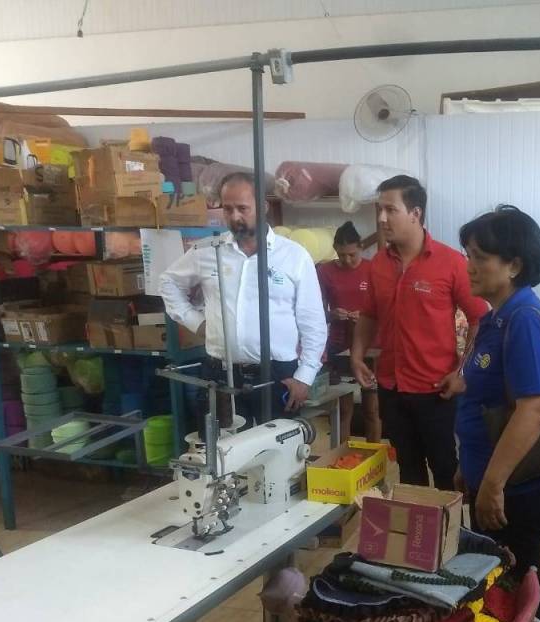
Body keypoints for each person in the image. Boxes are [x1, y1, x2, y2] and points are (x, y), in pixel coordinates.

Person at [454, 205, 540, 622]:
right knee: (502, 590)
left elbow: (535, 409)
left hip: (518, 490)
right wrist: (469, 468)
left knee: (524, 597)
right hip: (493, 479)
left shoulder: (523, 318)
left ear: (514, 264)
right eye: (468, 254)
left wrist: (493, 483)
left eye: (481, 257)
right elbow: (485, 403)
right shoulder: (497, 316)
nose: (469, 265)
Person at [350, 175, 488, 490]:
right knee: (408, 469)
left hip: (436, 389)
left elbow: (480, 319)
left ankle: (451, 523)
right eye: (380, 210)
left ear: (416, 213)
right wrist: (357, 356)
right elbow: (369, 314)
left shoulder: (451, 263)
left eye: (390, 210)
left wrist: (462, 371)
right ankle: (416, 523)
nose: (381, 218)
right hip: (391, 386)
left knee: (445, 467)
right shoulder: (378, 264)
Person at [160, 172, 326, 425]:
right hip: (220, 373)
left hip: (277, 374)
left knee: (277, 446)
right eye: (227, 209)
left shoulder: (293, 256)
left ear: (263, 207)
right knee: (221, 446)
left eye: (242, 208)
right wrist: (196, 322)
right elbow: (168, 282)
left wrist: (305, 376)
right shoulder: (207, 252)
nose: (235, 216)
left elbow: (312, 322)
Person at [317, 221, 381, 443]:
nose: (347, 260)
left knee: (372, 409)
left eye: (352, 254)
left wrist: (364, 316)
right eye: (341, 255)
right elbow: (315, 312)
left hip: (370, 346)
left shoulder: (373, 269)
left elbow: (384, 309)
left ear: (361, 247)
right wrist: (332, 314)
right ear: (335, 249)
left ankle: (374, 457)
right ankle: (341, 456)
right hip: (339, 345)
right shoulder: (325, 272)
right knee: (343, 410)